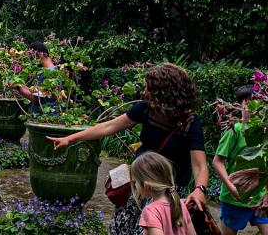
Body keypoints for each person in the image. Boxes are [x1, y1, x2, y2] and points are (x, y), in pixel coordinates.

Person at [47, 63, 209, 235]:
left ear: (163, 91)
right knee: (122, 228)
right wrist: (69, 139)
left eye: (149, 86)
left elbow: (200, 166)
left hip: (166, 191)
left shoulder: (190, 123)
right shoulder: (146, 108)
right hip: (140, 184)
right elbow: (108, 127)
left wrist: (200, 190)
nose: (145, 90)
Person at [212, 85, 268, 235]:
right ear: (240, 105)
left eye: (258, 104)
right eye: (248, 103)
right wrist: (232, 188)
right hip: (234, 199)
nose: (254, 108)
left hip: (260, 199)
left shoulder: (265, 133)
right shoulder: (234, 131)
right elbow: (217, 162)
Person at [131, 152, 197, 235]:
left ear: (146, 185)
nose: (135, 185)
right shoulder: (180, 204)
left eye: (135, 182)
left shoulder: (151, 211)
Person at [13, 41, 57, 114]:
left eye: (32, 56)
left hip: (45, 116)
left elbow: (35, 98)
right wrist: (19, 85)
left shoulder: (48, 73)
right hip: (45, 116)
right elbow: (35, 92)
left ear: (41, 54)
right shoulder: (51, 70)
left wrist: (18, 87)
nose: (32, 60)